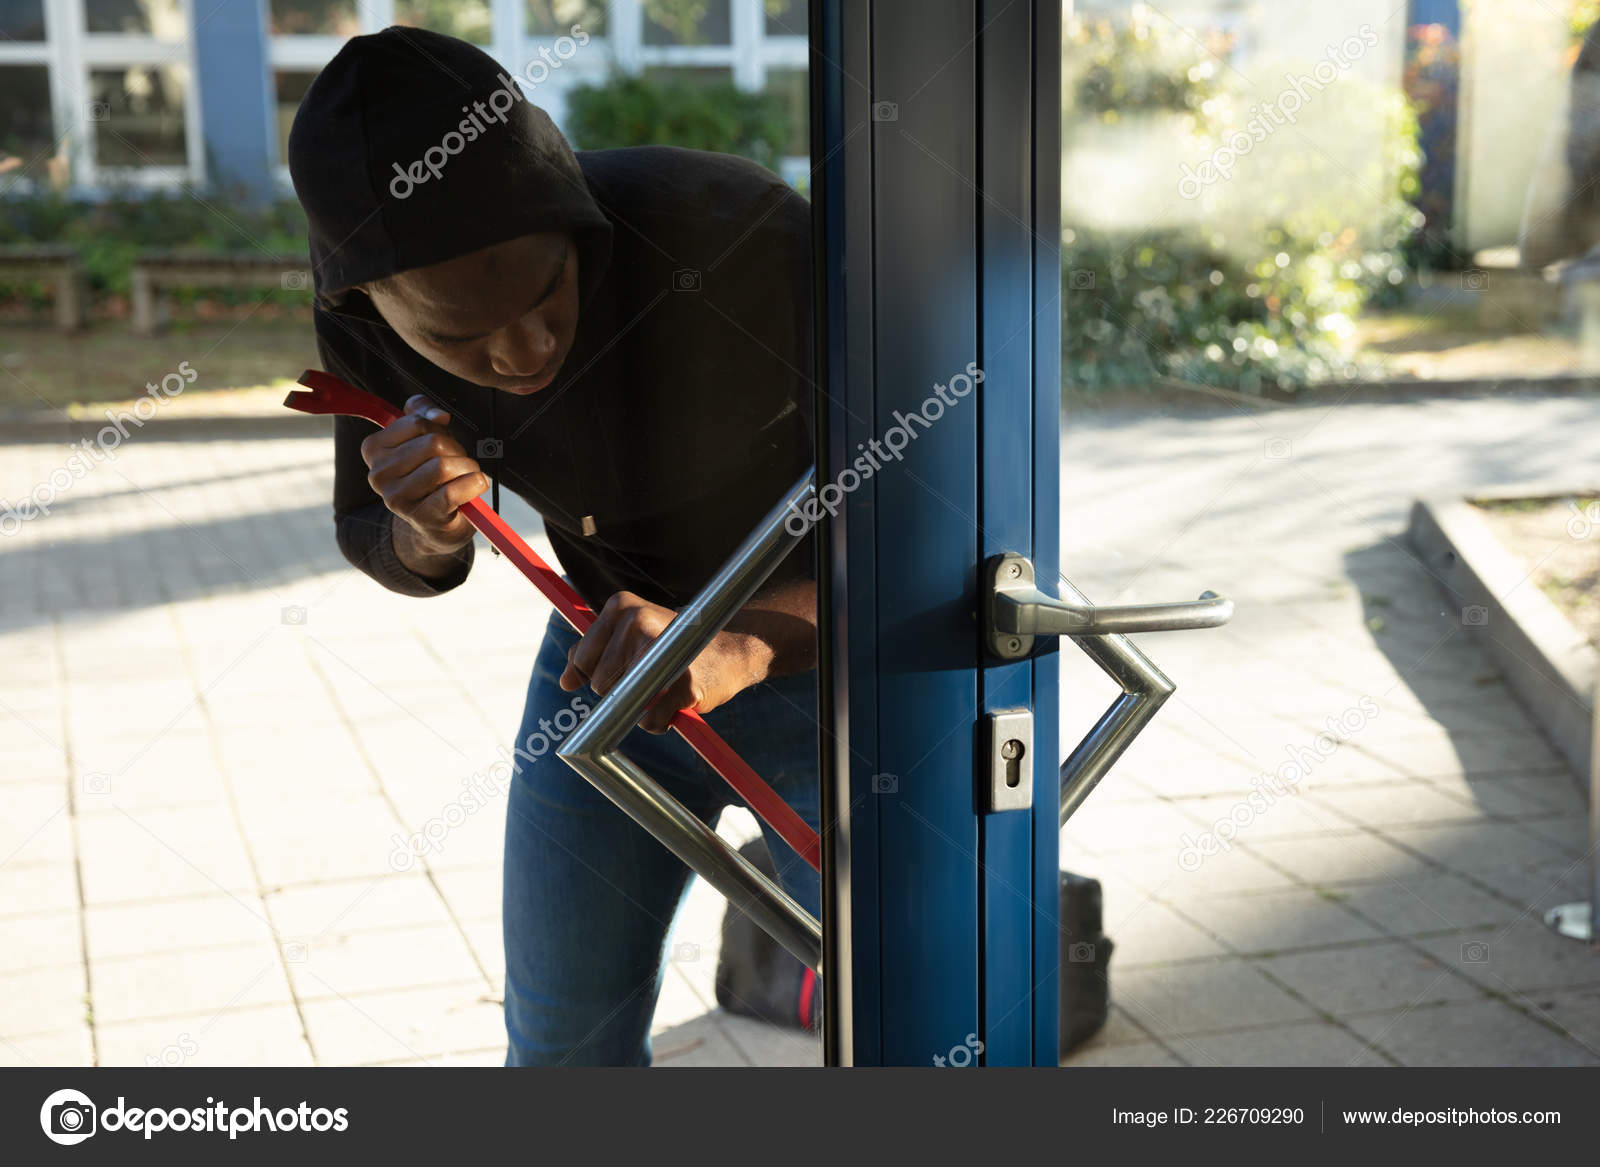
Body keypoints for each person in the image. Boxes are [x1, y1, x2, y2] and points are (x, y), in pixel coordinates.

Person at [287, 26, 819, 1066]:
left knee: (917, 1019)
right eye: (457, 341)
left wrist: (745, 642)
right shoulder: (357, 324)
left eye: (545, 296)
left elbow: (934, 501)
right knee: (561, 1049)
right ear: (371, 307)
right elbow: (374, 532)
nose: (523, 353)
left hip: (825, 658)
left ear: (573, 214)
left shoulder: (737, 234)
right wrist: (424, 521)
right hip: (606, 662)